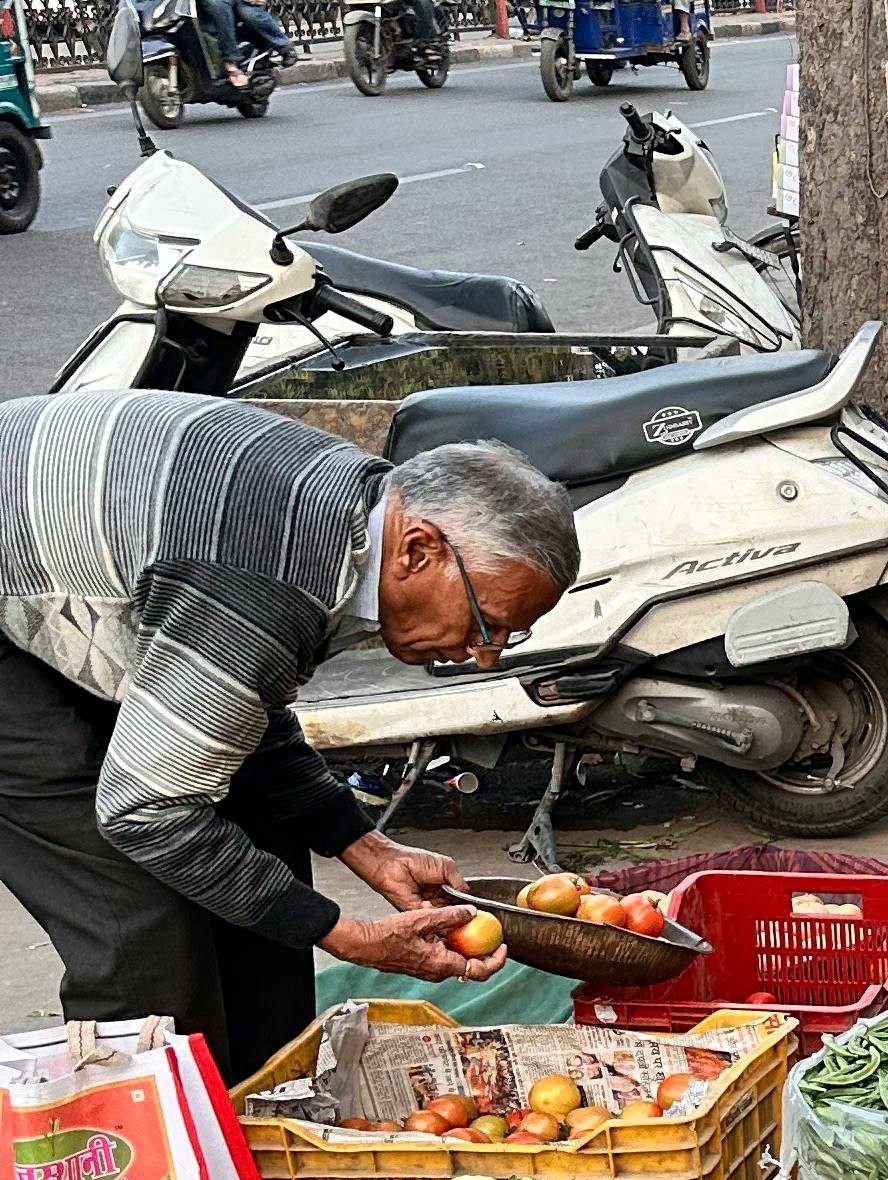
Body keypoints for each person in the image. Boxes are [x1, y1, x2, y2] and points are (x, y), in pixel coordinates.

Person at [0, 393, 577, 1080]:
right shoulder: (266, 579)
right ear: (419, 550)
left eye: (511, 635)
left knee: (261, 829)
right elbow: (144, 811)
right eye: (488, 624)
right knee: (137, 913)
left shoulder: (355, 522)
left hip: (75, 562)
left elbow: (241, 705)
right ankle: (139, 1135)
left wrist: (362, 845)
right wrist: (344, 934)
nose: (485, 656)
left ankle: (258, 1097)